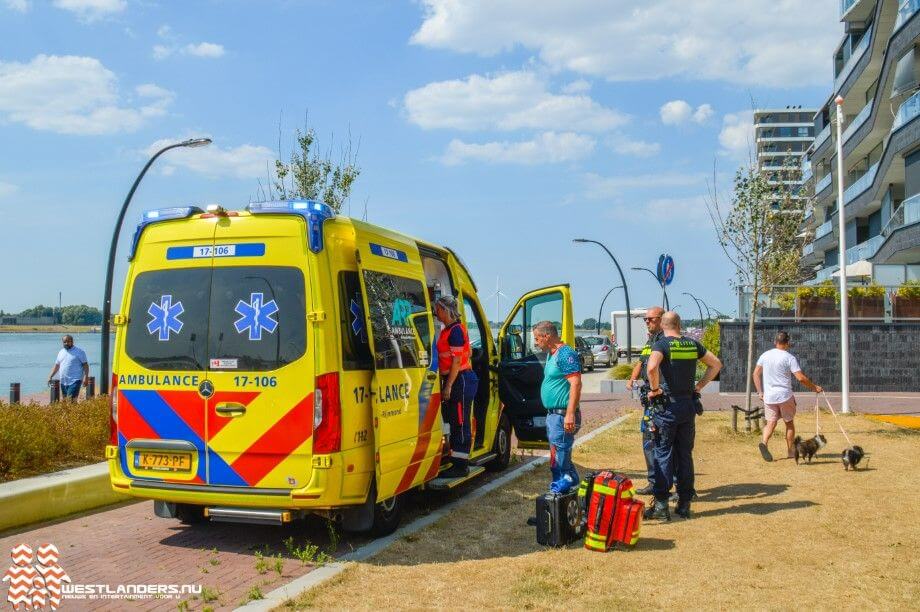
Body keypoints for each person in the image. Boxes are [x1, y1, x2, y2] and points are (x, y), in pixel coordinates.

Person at [645, 312, 721, 520]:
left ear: (662, 324)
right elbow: (716, 364)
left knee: (662, 452)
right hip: (688, 406)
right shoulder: (692, 345)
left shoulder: (661, 345)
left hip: (667, 407)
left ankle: (661, 505)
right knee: (685, 454)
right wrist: (699, 386)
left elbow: (652, 367)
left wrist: (655, 390)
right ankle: (684, 503)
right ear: (679, 324)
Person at [753, 331, 823, 462]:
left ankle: (764, 442)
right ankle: (791, 451)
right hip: (785, 395)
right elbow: (800, 378)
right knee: (789, 423)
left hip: (769, 397)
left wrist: (760, 392)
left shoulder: (765, 355)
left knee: (770, 423)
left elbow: (755, 374)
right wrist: (814, 387)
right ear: (788, 343)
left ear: (775, 342)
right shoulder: (789, 358)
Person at [532, 320, 582, 492]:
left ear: (547, 336)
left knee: (561, 456)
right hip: (554, 415)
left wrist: (570, 414)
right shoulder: (552, 354)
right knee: (558, 454)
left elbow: (575, 383)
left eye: (537, 339)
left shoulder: (565, 353)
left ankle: (565, 489)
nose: (536, 343)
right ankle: (567, 490)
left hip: (562, 415)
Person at [434, 295, 479, 478]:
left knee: (460, 423)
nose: (436, 312)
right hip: (456, 380)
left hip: (460, 380)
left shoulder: (456, 331)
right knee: (454, 421)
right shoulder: (448, 330)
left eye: (437, 309)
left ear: (445, 310)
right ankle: (457, 461)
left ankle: (461, 466)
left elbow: (456, 361)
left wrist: (448, 386)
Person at [627, 306, 665, 495]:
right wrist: (632, 379)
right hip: (649, 400)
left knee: (664, 441)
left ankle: (668, 484)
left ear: (662, 319)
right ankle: (653, 482)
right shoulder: (651, 341)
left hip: (661, 399)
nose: (647, 322)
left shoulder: (666, 340)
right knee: (648, 440)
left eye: (651, 319)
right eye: (645, 319)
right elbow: (642, 362)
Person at [47, 335, 89, 401]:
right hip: (63, 381)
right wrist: (50, 376)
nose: (66, 343)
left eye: (68, 341)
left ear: (72, 341)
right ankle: (79, 411)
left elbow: (85, 365)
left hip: (75, 380)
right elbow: (57, 366)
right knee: (66, 401)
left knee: (70, 401)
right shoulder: (61, 352)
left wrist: (86, 377)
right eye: (64, 342)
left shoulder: (79, 352)